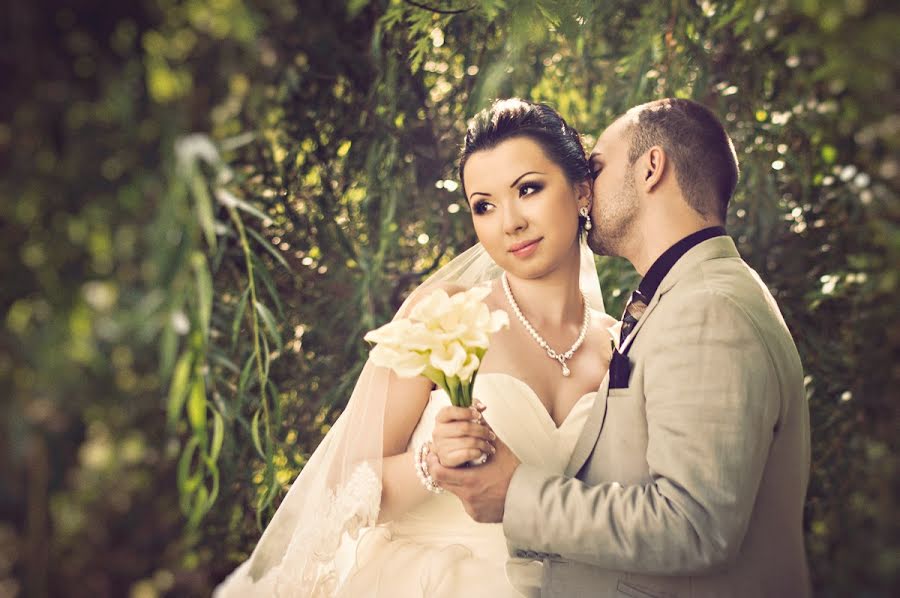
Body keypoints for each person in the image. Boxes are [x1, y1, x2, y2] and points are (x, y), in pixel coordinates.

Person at [213, 98, 618, 597]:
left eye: (528, 189)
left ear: (581, 192)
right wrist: (431, 464)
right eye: (484, 206)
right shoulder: (445, 315)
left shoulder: (621, 348)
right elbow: (345, 489)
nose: (508, 222)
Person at [429, 98, 812, 597]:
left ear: (652, 168)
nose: (586, 190)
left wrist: (515, 493)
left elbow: (694, 526)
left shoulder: (707, 310)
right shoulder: (686, 298)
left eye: (598, 168)